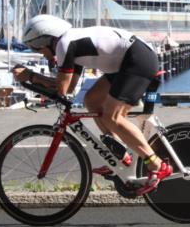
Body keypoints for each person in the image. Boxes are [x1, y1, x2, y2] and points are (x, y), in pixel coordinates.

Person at [13, 15, 171, 194]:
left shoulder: (65, 44)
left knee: (113, 116)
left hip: (137, 60)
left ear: (45, 40)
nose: (42, 54)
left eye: (39, 50)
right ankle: (120, 157)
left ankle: (157, 165)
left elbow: (61, 88)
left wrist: (31, 77)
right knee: (92, 100)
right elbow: (70, 87)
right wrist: (35, 81)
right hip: (125, 63)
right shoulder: (71, 44)